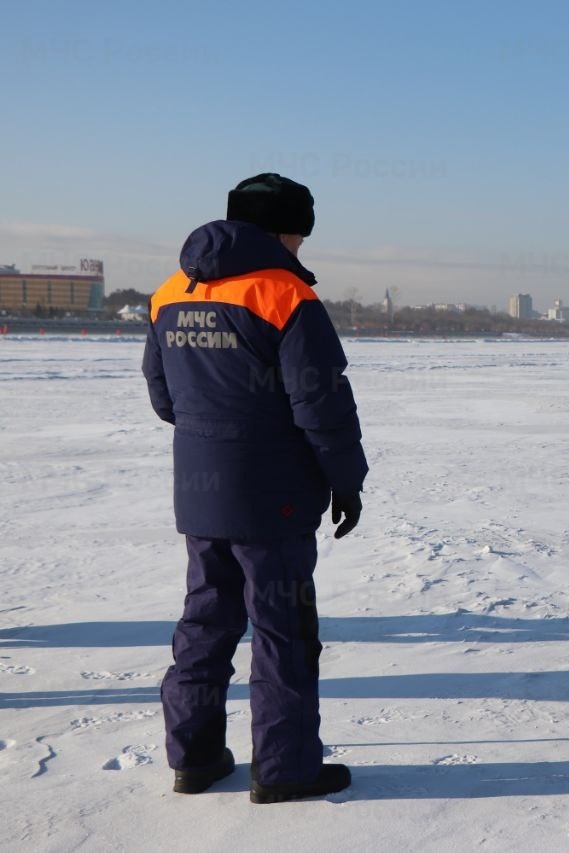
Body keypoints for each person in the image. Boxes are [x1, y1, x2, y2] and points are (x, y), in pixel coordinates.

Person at [142, 173, 368, 803]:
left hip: (200, 490)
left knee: (205, 623)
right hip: (275, 498)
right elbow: (321, 405)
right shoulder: (285, 293)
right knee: (283, 630)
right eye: (300, 231)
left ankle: (195, 759)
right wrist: (346, 482)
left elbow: (164, 399)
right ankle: (286, 769)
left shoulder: (170, 291)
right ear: (285, 230)